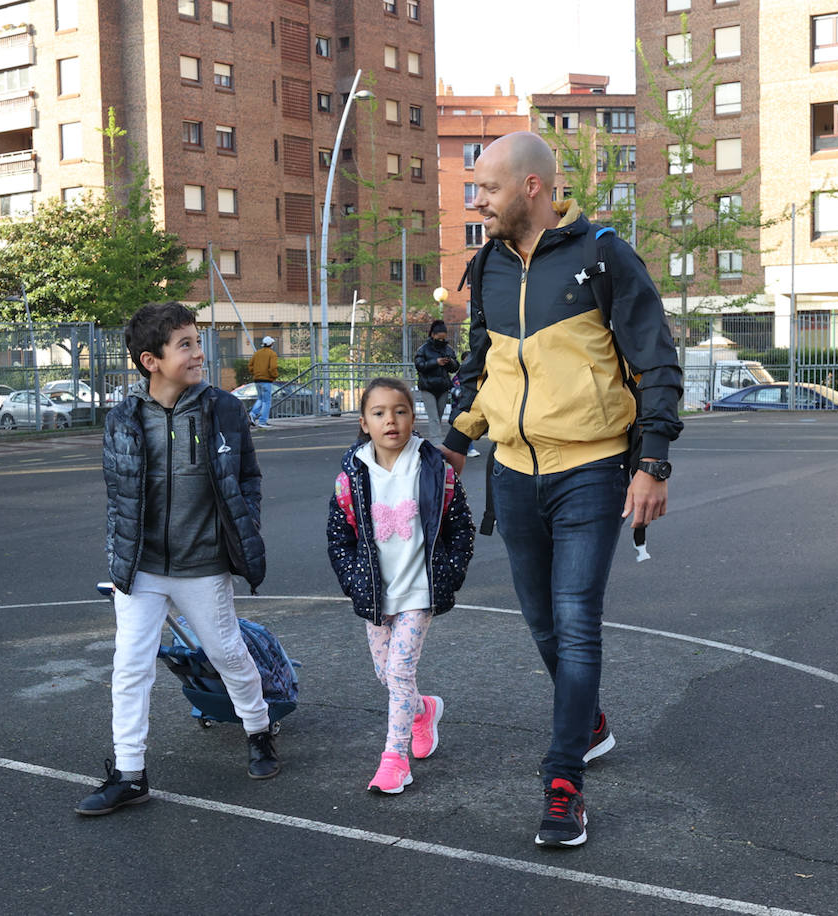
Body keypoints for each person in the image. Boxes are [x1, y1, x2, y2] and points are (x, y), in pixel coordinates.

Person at [440, 132, 683, 848]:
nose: (477, 200)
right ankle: (590, 723)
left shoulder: (601, 255)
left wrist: (654, 462)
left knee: (576, 621)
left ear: (532, 188)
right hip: (512, 473)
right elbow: (482, 366)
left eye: (486, 187)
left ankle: (563, 779)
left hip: (592, 469)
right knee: (543, 624)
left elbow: (656, 360)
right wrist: (455, 444)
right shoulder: (484, 266)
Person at [76, 301, 280, 817]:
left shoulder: (224, 410)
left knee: (230, 654)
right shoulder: (122, 419)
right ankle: (129, 773)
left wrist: (244, 522)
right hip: (140, 568)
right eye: (185, 344)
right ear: (151, 361)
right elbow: (117, 494)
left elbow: (248, 478)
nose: (198, 353)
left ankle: (258, 729)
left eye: (197, 340)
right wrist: (121, 552)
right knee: (130, 667)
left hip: (204, 565)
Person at [327, 377, 475, 794]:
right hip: (376, 592)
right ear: (364, 422)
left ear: (414, 417)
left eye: (400, 411)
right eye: (379, 413)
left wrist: (450, 571)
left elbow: (461, 526)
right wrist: (354, 582)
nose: (390, 420)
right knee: (385, 674)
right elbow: (339, 537)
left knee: (399, 670)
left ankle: (395, 759)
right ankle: (423, 710)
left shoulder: (433, 468)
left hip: (418, 592)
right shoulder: (353, 474)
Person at [413, 320, 459, 443]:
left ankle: (436, 441)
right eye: (439, 338)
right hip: (428, 387)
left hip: (443, 388)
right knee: (433, 417)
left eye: (444, 338)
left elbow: (455, 366)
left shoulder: (448, 349)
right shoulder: (423, 349)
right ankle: (437, 444)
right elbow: (419, 365)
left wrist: (450, 362)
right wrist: (435, 362)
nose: (442, 341)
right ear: (433, 335)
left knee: (438, 417)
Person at [247, 336, 279, 428]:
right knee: (267, 401)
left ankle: (252, 415)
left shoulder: (257, 353)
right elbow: (273, 367)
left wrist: (256, 372)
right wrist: (274, 375)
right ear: (271, 344)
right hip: (267, 380)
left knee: (260, 399)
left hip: (257, 380)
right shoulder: (272, 354)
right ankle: (262, 421)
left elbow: (250, 365)